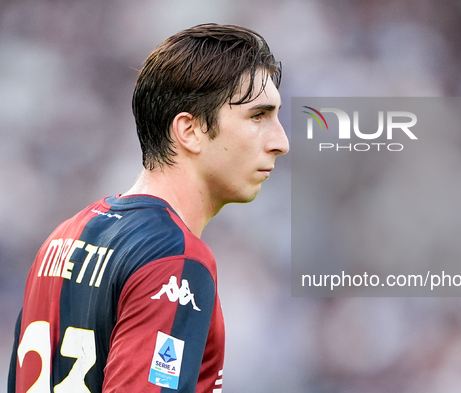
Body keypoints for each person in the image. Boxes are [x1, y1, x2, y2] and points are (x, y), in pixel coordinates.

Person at [8, 23, 289, 393]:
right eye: (258, 116)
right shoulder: (176, 262)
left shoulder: (62, 238)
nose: (281, 141)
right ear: (189, 131)